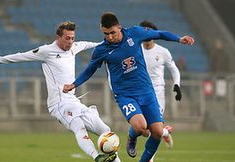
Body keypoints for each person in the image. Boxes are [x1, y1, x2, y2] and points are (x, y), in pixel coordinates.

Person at [0, 21, 119, 162]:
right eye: (67, 38)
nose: (70, 41)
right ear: (58, 37)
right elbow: (20, 56)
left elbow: (94, 44)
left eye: (72, 38)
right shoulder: (46, 51)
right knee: (79, 127)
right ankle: (97, 157)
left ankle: (116, 160)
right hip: (59, 104)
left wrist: (112, 42)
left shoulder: (74, 47)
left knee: (105, 129)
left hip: (74, 101)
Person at [63, 12, 194, 162]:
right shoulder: (101, 50)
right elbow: (89, 70)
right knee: (140, 127)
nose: (110, 37)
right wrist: (74, 84)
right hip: (125, 95)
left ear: (119, 27)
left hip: (146, 91)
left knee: (157, 132)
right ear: (102, 30)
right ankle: (132, 137)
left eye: (113, 32)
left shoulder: (135, 33)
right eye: (106, 34)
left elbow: (159, 34)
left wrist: (179, 39)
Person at [127, 20, 182, 162]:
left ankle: (149, 158)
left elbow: (174, 69)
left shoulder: (163, 51)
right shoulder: (135, 49)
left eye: (148, 32)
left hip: (157, 94)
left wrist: (177, 84)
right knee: (142, 127)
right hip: (139, 91)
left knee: (153, 129)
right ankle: (137, 136)